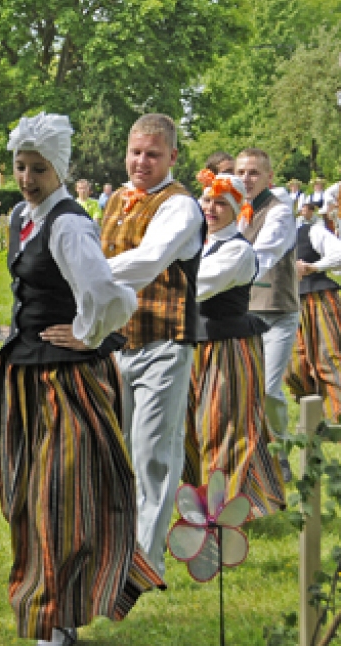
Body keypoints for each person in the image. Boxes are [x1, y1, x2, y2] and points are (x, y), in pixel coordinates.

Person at [0, 112, 161, 646]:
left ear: (58, 170)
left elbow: (108, 292)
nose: (26, 177)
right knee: (31, 497)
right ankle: (55, 608)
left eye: (37, 168)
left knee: (60, 497)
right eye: (21, 167)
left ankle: (58, 618)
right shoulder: (29, 215)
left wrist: (89, 334)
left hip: (68, 384)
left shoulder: (67, 222)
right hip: (30, 377)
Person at [101, 113, 206, 575]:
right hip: (117, 343)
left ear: (173, 157)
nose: (141, 162)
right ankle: (121, 546)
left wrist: (82, 275)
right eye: (136, 152)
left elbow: (147, 262)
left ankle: (146, 561)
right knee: (115, 449)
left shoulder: (180, 206)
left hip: (164, 342)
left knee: (153, 456)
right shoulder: (118, 199)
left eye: (153, 154)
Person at [184, 170, 284, 520]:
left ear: (237, 207)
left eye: (221, 202)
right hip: (192, 347)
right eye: (207, 199)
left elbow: (196, 286)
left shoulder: (238, 251)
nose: (211, 208)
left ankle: (222, 513)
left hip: (227, 349)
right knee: (189, 432)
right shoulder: (196, 243)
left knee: (223, 427)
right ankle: (203, 506)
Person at [235, 148, 299, 480]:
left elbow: (263, 256)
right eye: (241, 171)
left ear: (269, 177)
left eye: (254, 173)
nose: (246, 178)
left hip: (276, 312)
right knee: (245, 391)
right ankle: (255, 460)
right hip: (243, 313)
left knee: (269, 389)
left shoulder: (280, 212)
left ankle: (281, 449)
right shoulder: (232, 210)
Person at [286, 201, 341, 423]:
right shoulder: (261, 237)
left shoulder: (310, 230)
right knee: (292, 368)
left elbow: (338, 254)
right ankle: (315, 416)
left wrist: (313, 267)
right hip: (285, 304)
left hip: (316, 298)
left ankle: (336, 419)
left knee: (328, 358)